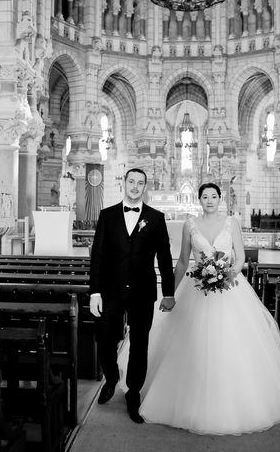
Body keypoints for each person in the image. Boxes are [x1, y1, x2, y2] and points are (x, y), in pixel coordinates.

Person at [122, 182, 280, 435]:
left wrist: (227, 274)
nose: (210, 200)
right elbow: (183, 261)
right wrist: (170, 293)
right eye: (205, 196)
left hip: (230, 289)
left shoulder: (232, 222)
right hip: (196, 289)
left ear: (220, 198)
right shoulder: (190, 225)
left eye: (214, 196)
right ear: (199, 200)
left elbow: (240, 258)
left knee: (232, 344)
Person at [89, 168, 175, 424]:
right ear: (123, 184)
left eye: (140, 183)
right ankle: (112, 378)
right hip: (110, 290)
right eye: (132, 182)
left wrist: (168, 292)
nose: (135, 187)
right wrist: (94, 291)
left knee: (140, 344)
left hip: (142, 290)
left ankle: (133, 393)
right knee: (105, 339)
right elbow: (98, 257)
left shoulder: (156, 218)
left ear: (145, 187)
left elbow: (165, 257)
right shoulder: (107, 215)